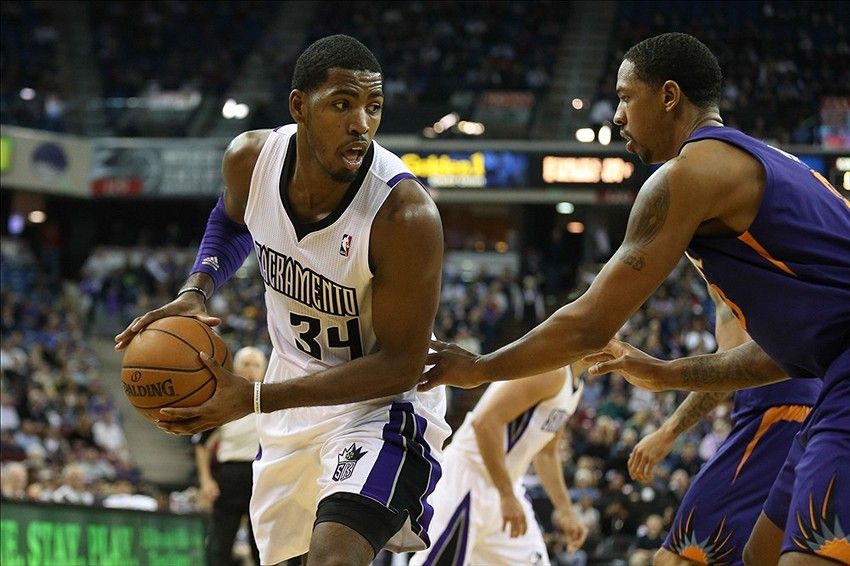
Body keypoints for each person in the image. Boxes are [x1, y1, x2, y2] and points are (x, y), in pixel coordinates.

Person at [420, 32, 850, 566]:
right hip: (831, 378)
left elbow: (589, 325)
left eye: (626, 97)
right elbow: (784, 355)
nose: (618, 116)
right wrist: (666, 374)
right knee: (755, 553)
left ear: (668, 96)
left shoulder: (690, 174)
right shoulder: (756, 163)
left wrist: (479, 368)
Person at [115, 34, 450, 566]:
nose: (361, 123)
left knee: (334, 557)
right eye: (342, 104)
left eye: (374, 106)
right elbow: (232, 219)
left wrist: (254, 399)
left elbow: (400, 366)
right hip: (292, 400)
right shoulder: (251, 159)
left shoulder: (404, 215)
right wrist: (197, 289)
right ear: (299, 106)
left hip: (381, 408)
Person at [626, 290, 818, 565]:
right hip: (816, 413)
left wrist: (668, 431)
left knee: (680, 557)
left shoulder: (730, 270)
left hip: (777, 414)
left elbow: (728, 370)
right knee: (762, 554)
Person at [409, 364, 589, 566]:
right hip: (469, 480)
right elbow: (484, 423)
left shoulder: (575, 385)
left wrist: (565, 510)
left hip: (505, 486)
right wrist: (506, 495)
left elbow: (546, 453)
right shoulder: (552, 370)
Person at [193, 346, 267, 566]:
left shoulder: (274, 403)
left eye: (256, 365)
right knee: (219, 545)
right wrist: (206, 480)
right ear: (235, 368)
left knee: (262, 549)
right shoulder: (223, 402)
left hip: (262, 475)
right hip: (230, 475)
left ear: (264, 370)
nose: (251, 370)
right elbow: (201, 444)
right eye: (246, 364)